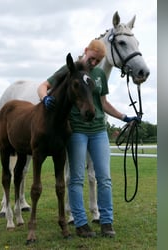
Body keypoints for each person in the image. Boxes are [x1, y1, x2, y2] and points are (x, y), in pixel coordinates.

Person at [37, 40, 140, 238]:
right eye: (92, 58)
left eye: (98, 60)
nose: (94, 63)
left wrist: (124, 117)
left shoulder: (100, 75)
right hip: (76, 131)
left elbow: (103, 103)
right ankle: (81, 223)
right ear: (85, 51)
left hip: (99, 131)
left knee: (104, 178)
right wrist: (45, 98)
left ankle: (106, 221)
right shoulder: (69, 70)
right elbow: (44, 86)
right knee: (76, 178)